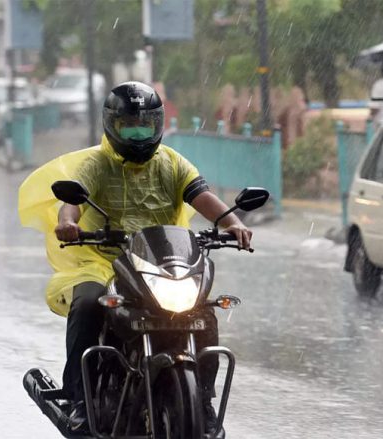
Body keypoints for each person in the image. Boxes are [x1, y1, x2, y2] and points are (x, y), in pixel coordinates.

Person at [18, 81, 252, 434]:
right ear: (112, 124)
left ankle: (201, 402)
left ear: (158, 124)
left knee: (203, 314)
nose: (140, 134)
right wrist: (68, 224)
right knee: (88, 305)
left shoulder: (172, 163)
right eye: (130, 125)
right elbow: (72, 206)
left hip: (163, 262)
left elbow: (202, 197)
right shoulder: (97, 165)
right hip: (101, 259)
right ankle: (79, 398)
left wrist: (234, 224)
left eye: (146, 125)